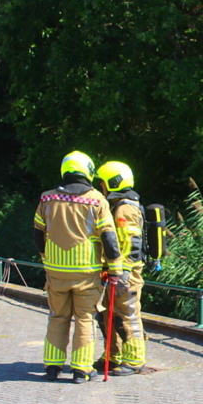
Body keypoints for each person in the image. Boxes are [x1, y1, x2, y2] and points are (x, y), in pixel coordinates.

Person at [33, 152, 121, 384]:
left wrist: (45, 258)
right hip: (87, 273)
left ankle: (52, 366)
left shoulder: (46, 199)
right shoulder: (97, 200)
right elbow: (109, 239)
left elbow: (38, 234)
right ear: (88, 171)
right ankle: (81, 370)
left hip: (56, 272)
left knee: (57, 317)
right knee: (85, 319)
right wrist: (115, 270)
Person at [93, 161, 147, 376]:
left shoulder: (125, 208)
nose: (101, 187)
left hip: (126, 274)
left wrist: (122, 272)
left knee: (127, 315)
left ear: (112, 182)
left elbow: (130, 243)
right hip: (113, 271)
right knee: (108, 314)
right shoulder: (116, 205)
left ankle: (134, 360)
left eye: (103, 183)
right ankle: (112, 355)